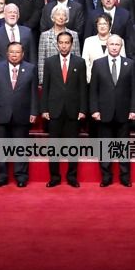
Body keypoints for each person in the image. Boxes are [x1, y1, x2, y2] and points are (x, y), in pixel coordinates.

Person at [89, 35, 135, 187]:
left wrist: (134, 109)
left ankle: (125, 177)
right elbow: (93, 90)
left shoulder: (130, 64)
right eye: (111, 44)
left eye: (117, 44)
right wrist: (94, 110)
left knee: (123, 146)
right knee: (105, 146)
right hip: (104, 112)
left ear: (121, 46)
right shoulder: (98, 64)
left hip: (124, 112)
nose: (114, 47)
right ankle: (106, 177)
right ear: (107, 45)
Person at [0, 42, 38, 187]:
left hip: (22, 114)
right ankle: (1, 177)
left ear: (22, 54)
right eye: (11, 52)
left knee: (21, 147)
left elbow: (34, 92)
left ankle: (21, 177)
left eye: (17, 52)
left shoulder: (30, 68)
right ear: (7, 53)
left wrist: (34, 111)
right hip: (1, 113)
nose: (14, 55)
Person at [42, 31, 88, 187]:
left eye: (67, 42)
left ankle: (72, 177)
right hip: (54, 110)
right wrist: (44, 109)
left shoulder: (79, 62)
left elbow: (83, 88)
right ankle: (54, 177)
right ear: (57, 44)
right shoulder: (49, 62)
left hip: (73, 110)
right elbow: (45, 87)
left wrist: (83, 109)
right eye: (61, 42)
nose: (63, 45)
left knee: (72, 145)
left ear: (71, 44)